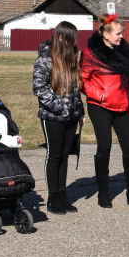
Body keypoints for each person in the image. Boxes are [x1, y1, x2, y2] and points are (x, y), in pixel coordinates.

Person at [81, 13, 129, 208]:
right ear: (105, 34)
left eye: (121, 33)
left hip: (123, 105)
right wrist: (98, 94)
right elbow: (81, 80)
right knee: (104, 146)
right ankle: (104, 192)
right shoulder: (90, 54)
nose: (121, 36)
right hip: (100, 107)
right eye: (117, 33)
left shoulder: (124, 52)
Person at [33, 22, 86, 215]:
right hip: (52, 116)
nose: (75, 43)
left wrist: (79, 111)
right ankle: (52, 197)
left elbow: (75, 90)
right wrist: (58, 106)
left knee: (65, 156)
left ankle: (63, 195)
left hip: (71, 116)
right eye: (71, 38)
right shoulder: (45, 58)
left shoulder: (71, 58)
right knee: (54, 156)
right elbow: (39, 88)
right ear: (61, 38)